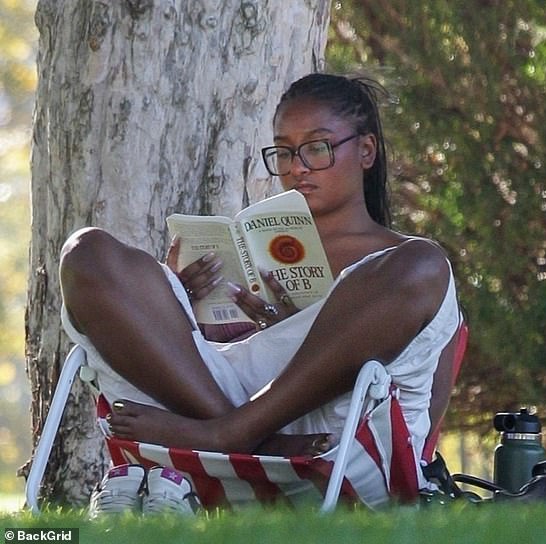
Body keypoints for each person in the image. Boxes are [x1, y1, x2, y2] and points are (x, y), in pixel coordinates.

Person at [59, 73, 463, 463]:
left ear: (366, 151)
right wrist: (174, 304)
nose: (297, 167)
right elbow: (202, 354)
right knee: (86, 251)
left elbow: (422, 416)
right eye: (284, 152)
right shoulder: (249, 250)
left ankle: (230, 435)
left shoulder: (403, 268)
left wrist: (302, 329)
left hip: (327, 419)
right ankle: (249, 439)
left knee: (425, 262)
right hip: (210, 396)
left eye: (317, 148)